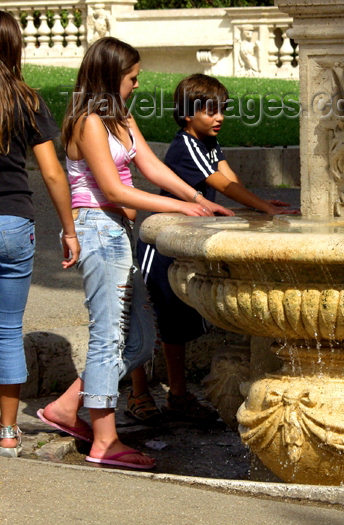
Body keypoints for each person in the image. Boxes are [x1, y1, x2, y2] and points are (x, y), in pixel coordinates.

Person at [36, 39, 233, 470]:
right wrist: (180, 206)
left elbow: (152, 166)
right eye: (132, 79)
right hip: (99, 232)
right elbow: (112, 189)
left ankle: (67, 407)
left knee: (141, 340)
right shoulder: (88, 122)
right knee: (109, 337)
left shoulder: (120, 117)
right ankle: (105, 442)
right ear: (110, 77)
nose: (138, 85)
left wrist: (198, 197)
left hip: (120, 232)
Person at [127, 73, 297, 424]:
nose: (219, 117)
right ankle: (138, 393)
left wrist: (258, 204)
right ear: (188, 114)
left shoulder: (209, 144)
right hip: (161, 247)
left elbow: (232, 179)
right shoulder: (185, 145)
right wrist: (261, 208)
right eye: (210, 111)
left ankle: (177, 396)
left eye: (222, 110)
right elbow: (222, 185)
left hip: (186, 245)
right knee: (146, 323)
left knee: (176, 327)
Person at [0, 11, 80, 458]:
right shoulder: (28, 101)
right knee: (8, 331)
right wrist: (69, 230)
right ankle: (8, 434)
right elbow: (52, 173)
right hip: (14, 222)